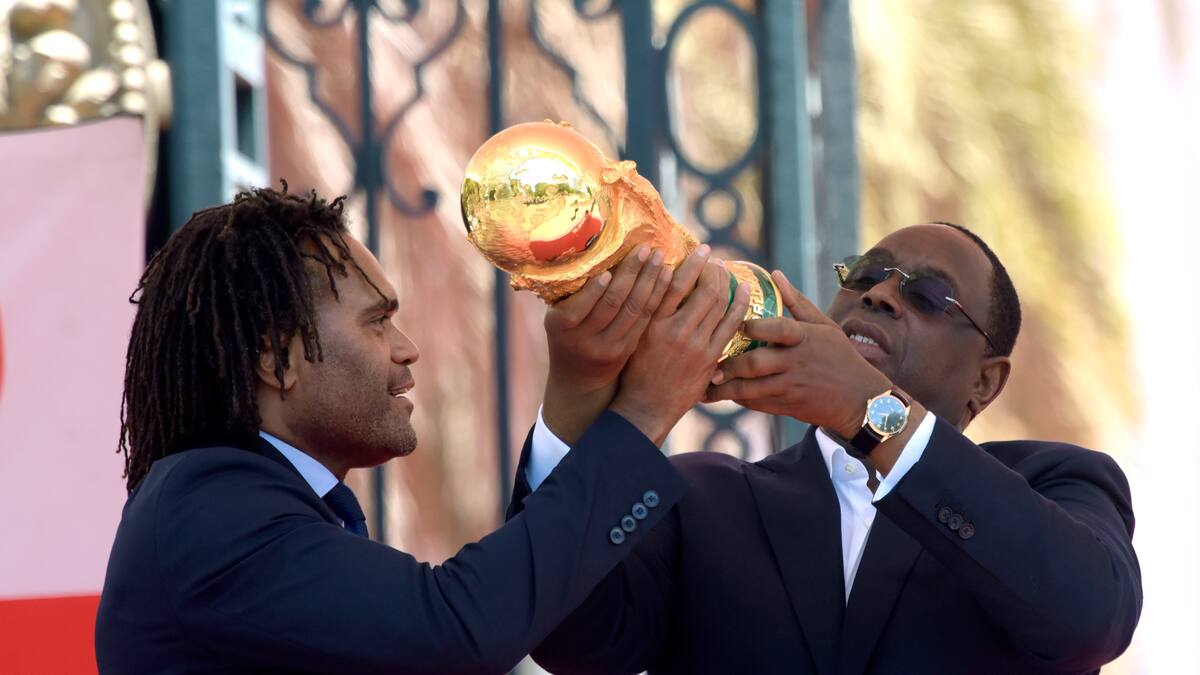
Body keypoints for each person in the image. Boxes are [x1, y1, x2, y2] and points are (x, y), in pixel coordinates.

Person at [94, 184, 750, 673]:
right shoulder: (210, 510)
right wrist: (643, 413)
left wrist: (580, 396)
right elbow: (455, 628)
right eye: (377, 321)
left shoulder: (243, 503)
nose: (406, 348)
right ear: (277, 359)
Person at [513, 222, 1142, 674]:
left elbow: (1089, 618)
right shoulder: (702, 497)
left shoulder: (1054, 483)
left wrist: (870, 412)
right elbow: (567, 635)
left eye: (927, 296)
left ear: (985, 382)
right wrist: (576, 395)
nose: (878, 294)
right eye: (865, 274)